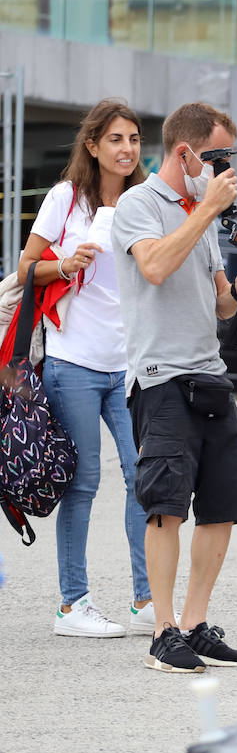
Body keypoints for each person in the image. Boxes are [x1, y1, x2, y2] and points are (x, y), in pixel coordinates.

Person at [112, 101, 237, 673]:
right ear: (186, 153)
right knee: (165, 507)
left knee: (226, 503)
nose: (226, 168)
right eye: (219, 156)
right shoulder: (137, 205)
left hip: (209, 376)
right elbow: (153, 266)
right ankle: (162, 633)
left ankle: (194, 624)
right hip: (159, 379)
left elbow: (220, 301)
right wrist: (204, 211)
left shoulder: (198, 212)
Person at [17, 99, 151, 639]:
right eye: (116, 139)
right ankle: (73, 605)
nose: (127, 149)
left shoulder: (146, 203)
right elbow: (27, 266)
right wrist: (64, 264)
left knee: (145, 476)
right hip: (73, 362)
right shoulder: (64, 199)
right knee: (84, 482)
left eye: (135, 139)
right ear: (92, 145)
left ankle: (146, 598)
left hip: (130, 365)